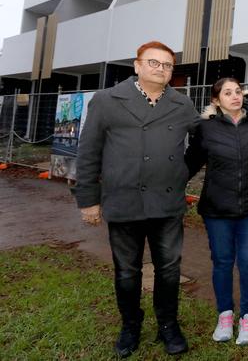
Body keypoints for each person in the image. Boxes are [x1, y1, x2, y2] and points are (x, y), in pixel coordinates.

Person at [72, 41, 198, 357]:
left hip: (166, 203)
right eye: (154, 62)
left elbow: (207, 139)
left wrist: (182, 172)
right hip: (123, 201)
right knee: (127, 271)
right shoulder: (107, 100)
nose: (161, 69)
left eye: (167, 65)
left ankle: (168, 324)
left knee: (168, 269)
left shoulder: (182, 104)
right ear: (137, 65)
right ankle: (131, 324)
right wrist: (88, 199)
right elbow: (88, 152)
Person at [184, 78, 248, 345]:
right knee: (223, 262)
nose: (235, 96)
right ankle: (225, 316)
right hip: (217, 209)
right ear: (216, 100)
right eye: (227, 93)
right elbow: (189, 163)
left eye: (238, 91)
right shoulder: (206, 129)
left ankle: (247, 318)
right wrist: (169, 188)